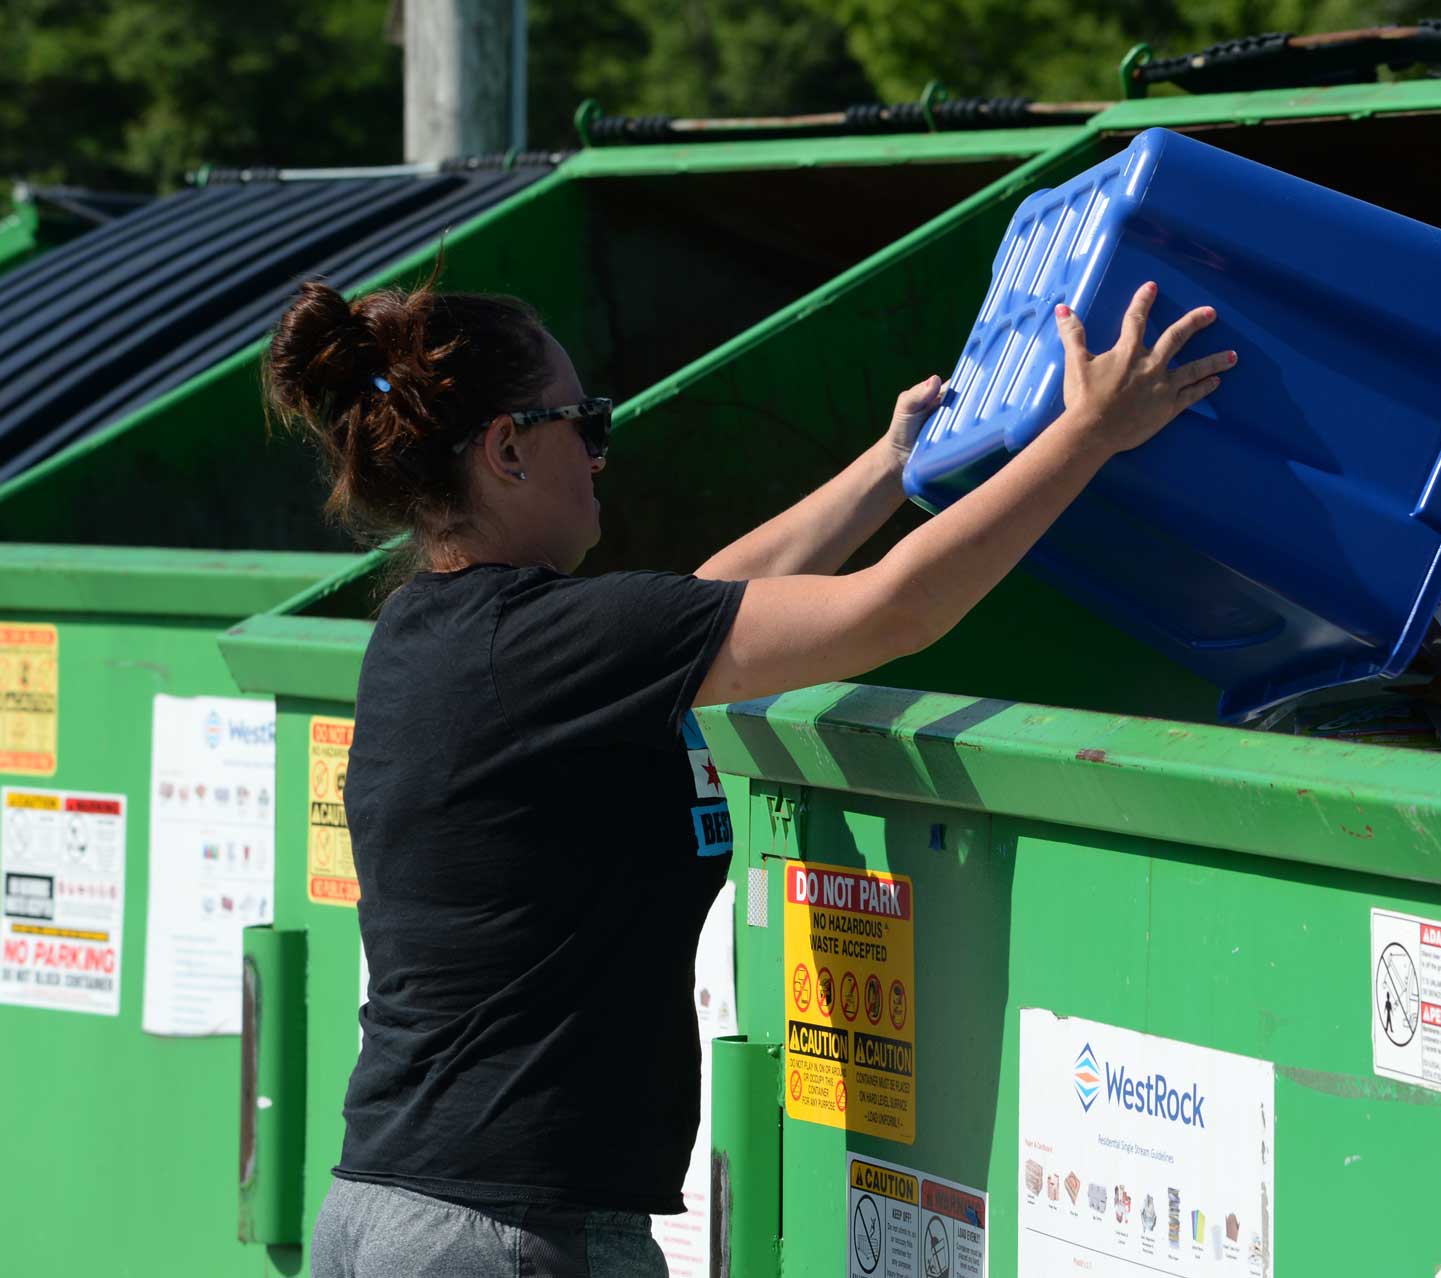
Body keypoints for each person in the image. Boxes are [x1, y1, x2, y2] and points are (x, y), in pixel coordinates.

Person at [265, 269, 1231, 1277]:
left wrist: (894, 464)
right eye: (583, 422)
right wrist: (1091, 434)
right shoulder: (537, 648)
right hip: (501, 1232)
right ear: (507, 449)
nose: (602, 451)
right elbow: (891, 611)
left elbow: (706, 602)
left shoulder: (435, 631)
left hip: (391, 1207)